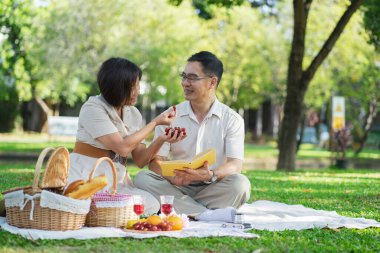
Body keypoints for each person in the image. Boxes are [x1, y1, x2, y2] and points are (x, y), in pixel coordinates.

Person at [134, 51, 251, 221]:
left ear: (212, 82)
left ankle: (186, 209)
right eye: (184, 77)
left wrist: (210, 174)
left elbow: (235, 165)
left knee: (240, 184)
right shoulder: (170, 116)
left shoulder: (232, 120)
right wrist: (172, 177)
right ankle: (205, 214)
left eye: (192, 78)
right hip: (177, 188)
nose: (184, 83)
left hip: (213, 187)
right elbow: (155, 162)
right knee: (142, 178)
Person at [68, 57, 184, 214]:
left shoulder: (133, 113)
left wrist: (162, 138)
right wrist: (155, 123)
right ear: (118, 87)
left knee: (151, 204)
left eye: (138, 85)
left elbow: (141, 160)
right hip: (87, 178)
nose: (138, 91)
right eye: (134, 86)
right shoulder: (92, 108)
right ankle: (95, 210)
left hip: (116, 181)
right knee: (90, 205)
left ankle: (104, 211)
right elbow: (122, 148)